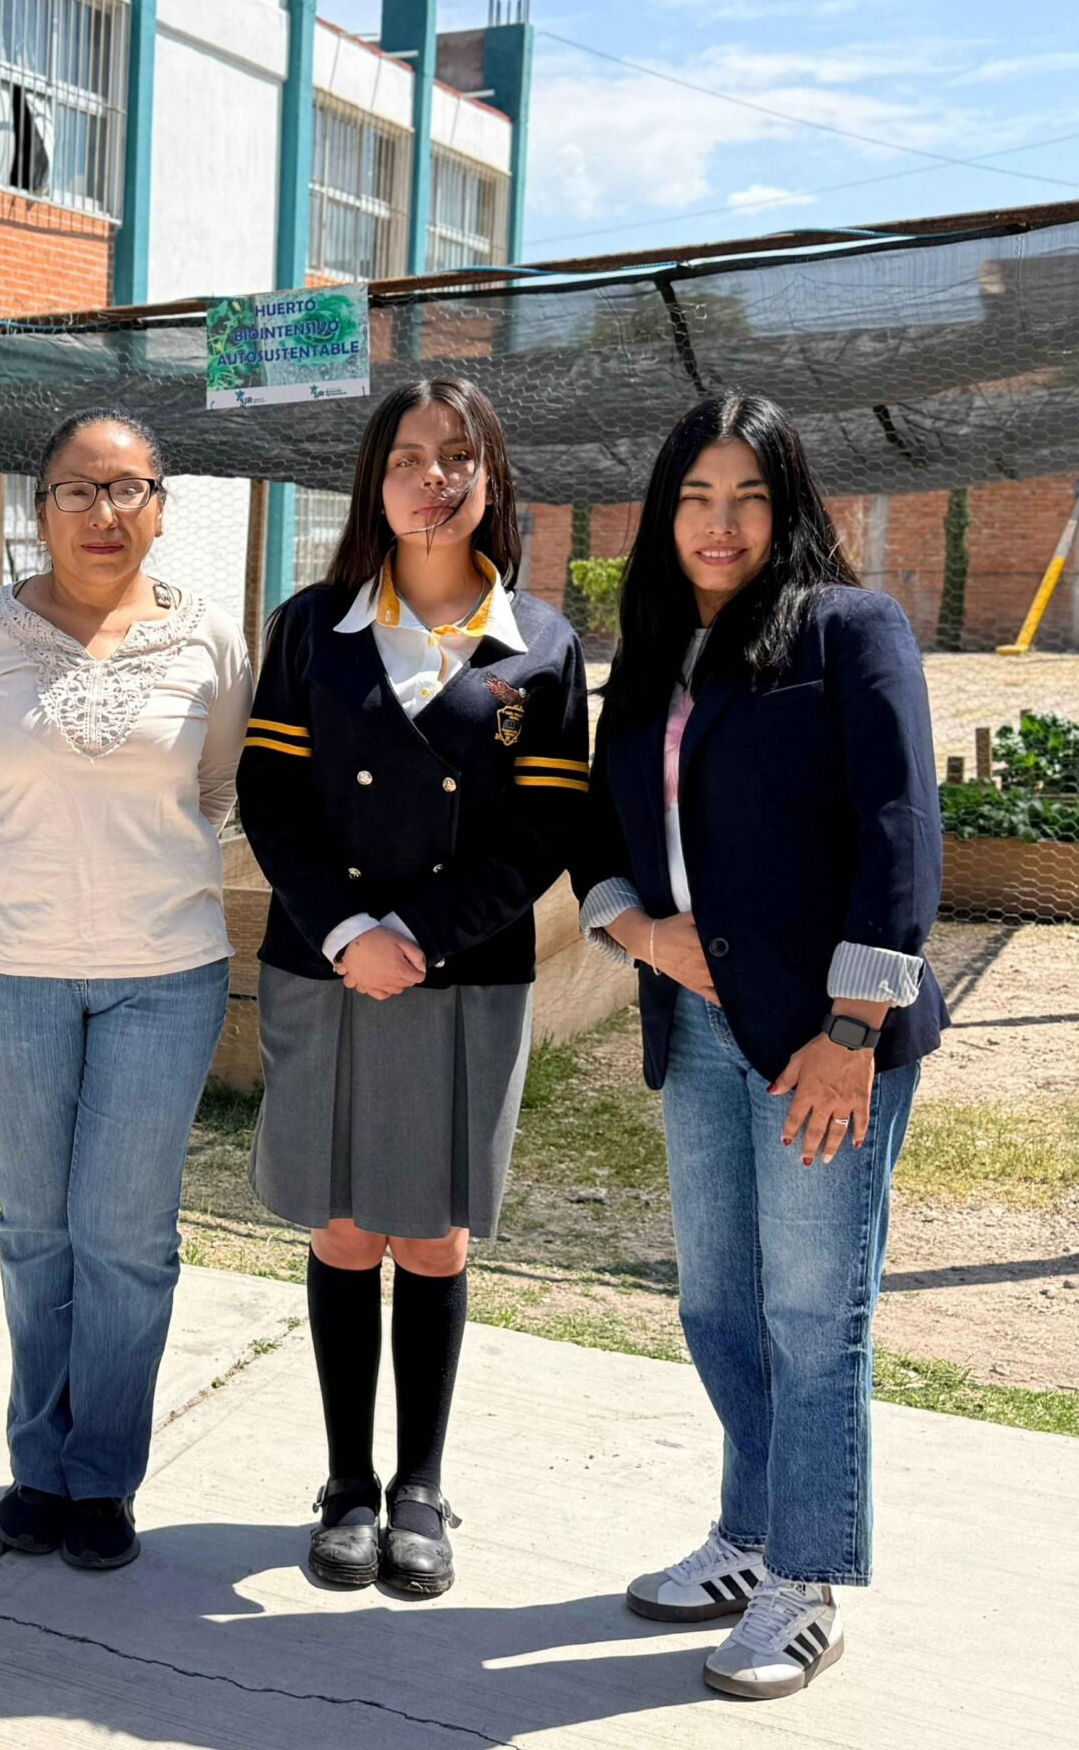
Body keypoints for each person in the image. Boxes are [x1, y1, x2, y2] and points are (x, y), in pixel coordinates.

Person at [575, 393, 944, 1699]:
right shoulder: (656, 655)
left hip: (820, 1045)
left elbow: (901, 835)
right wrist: (642, 936)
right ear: (664, 514)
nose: (720, 523)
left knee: (813, 1316)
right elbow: (597, 839)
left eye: (747, 497)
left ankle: (807, 1579)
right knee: (718, 1303)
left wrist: (853, 1031)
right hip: (699, 1028)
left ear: (786, 509)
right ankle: (748, 1534)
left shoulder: (852, 630)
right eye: (696, 497)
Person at [237, 377, 588, 1600]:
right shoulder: (311, 625)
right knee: (342, 1221)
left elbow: (543, 829)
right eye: (406, 458)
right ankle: (342, 1485)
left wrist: (421, 938)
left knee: (432, 1234)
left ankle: (420, 1488)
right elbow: (268, 801)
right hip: (326, 965)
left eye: (457, 458)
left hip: (463, 969)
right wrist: (345, 931)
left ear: (491, 480)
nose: (431, 480)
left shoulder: (541, 645)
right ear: (371, 482)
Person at [0, 409, 252, 1573]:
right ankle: (35, 1463)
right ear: (37, 505)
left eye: (128, 489)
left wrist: (126, 890)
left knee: (127, 1237)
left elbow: (216, 794)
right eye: (76, 491)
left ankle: (100, 1476)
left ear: (161, 504)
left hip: (166, 976)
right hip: (4, 975)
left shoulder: (208, 637)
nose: (104, 515)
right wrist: (21, 890)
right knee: (33, 1227)